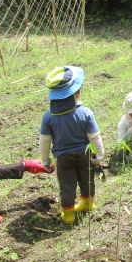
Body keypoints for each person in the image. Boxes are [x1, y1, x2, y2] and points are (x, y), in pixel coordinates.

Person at [39, 66, 105, 224]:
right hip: (85, 154)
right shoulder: (85, 112)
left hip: (63, 157)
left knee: (67, 185)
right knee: (87, 179)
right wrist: (99, 155)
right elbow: (94, 137)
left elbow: (45, 141)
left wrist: (45, 161)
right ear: (77, 93)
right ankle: (88, 204)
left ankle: (68, 215)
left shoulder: (48, 117)